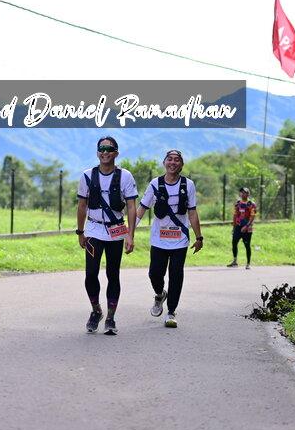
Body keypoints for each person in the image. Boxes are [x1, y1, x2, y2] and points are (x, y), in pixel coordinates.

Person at [76, 136, 137, 335]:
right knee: (91, 273)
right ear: (97, 153)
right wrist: (80, 232)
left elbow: (131, 207)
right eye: (101, 149)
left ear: (116, 153)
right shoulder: (87, 176)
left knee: (113, 274)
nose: (105, 152)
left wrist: (130, 236)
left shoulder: (125, 176)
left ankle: (110, 318)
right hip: (94, 229)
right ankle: (96, 311)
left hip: (116, 231)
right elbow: (82, 205)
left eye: (109, 149)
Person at [136, 149, 203, 328]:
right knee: (154, 273)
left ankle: (171, 312)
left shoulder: (188, 185)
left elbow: (192, 212)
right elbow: (142, 209)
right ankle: (160, 295)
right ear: (164, 162)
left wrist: (199, 237)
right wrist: (130, 231)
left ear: (181, 165)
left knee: (176, 275)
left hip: (180, 240)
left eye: (177, 160)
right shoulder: (155, 184)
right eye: (170, 159)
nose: (173, 162)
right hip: (158, 240)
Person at [228, 187, 256, 270]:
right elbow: (235, 215)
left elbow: (252, 216)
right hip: (238, 226)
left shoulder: (251, 204)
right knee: (234, 242)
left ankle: (248, 263)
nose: (242, 194)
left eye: (244, 192)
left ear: (248, 194)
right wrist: (234, 227)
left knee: (247, 245)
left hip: (247, 227)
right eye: (241, 192)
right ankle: (235, 261)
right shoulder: (238, 204)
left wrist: (246, 226)